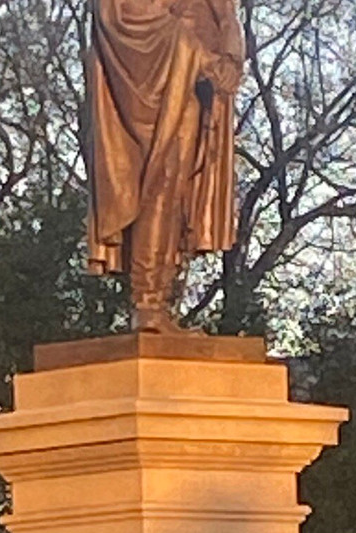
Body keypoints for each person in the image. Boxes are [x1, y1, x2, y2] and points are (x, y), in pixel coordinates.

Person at [88, 0, 244, 332]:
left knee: (176, 195)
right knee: (160, 185)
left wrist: (228, 51)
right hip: (156, 82)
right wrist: (204, 58)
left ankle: (158, 304)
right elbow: (124, 16)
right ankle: (147, 304)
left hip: (192, 85)